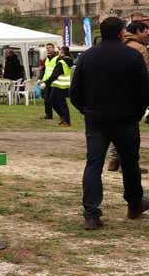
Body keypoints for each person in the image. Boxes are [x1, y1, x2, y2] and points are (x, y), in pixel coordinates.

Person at [69, 16, 149, 229]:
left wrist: (86, 111)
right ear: (122, 33)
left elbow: (74, 91)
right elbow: (144, 91)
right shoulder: (133, 56)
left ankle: (91, 213)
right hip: (125, 118)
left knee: (94, 164)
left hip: (96, 119)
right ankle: (134, 204)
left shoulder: (87, 56)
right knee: (130, 163)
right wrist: (137, 113)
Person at [107, 20, 149, 172]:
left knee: (114, 130)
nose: (148, 35)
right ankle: (128, 165)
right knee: (129, 133)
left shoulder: (120, 44)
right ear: (138, 31)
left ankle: (114, 161)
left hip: (113, 94)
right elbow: (144, 75)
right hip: (130, 96)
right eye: (146, 32)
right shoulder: (139, 48)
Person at [47, 45, 73, 126]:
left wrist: (46, 82)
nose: (58, 52)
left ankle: (67, 121)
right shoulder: (63, 60)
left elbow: (55, 74)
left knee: (62, 103)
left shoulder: (62, 62)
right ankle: (62, 116)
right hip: (57, 84)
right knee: (51, 101)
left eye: (60, 51)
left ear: (62, 52)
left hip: (60, 85)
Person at [38, 43, 59, 120]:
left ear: (54, 48)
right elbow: (44, 70)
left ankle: (62, 114)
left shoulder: (57, 58)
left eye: (50, 47)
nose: (48, 49)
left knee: (53, 100)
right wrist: (39, 78)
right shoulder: (46, 58)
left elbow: (57, 72)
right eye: (47, 48)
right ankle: (48, 115)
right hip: (45, 82)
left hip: (54, 82)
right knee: (46, 99)